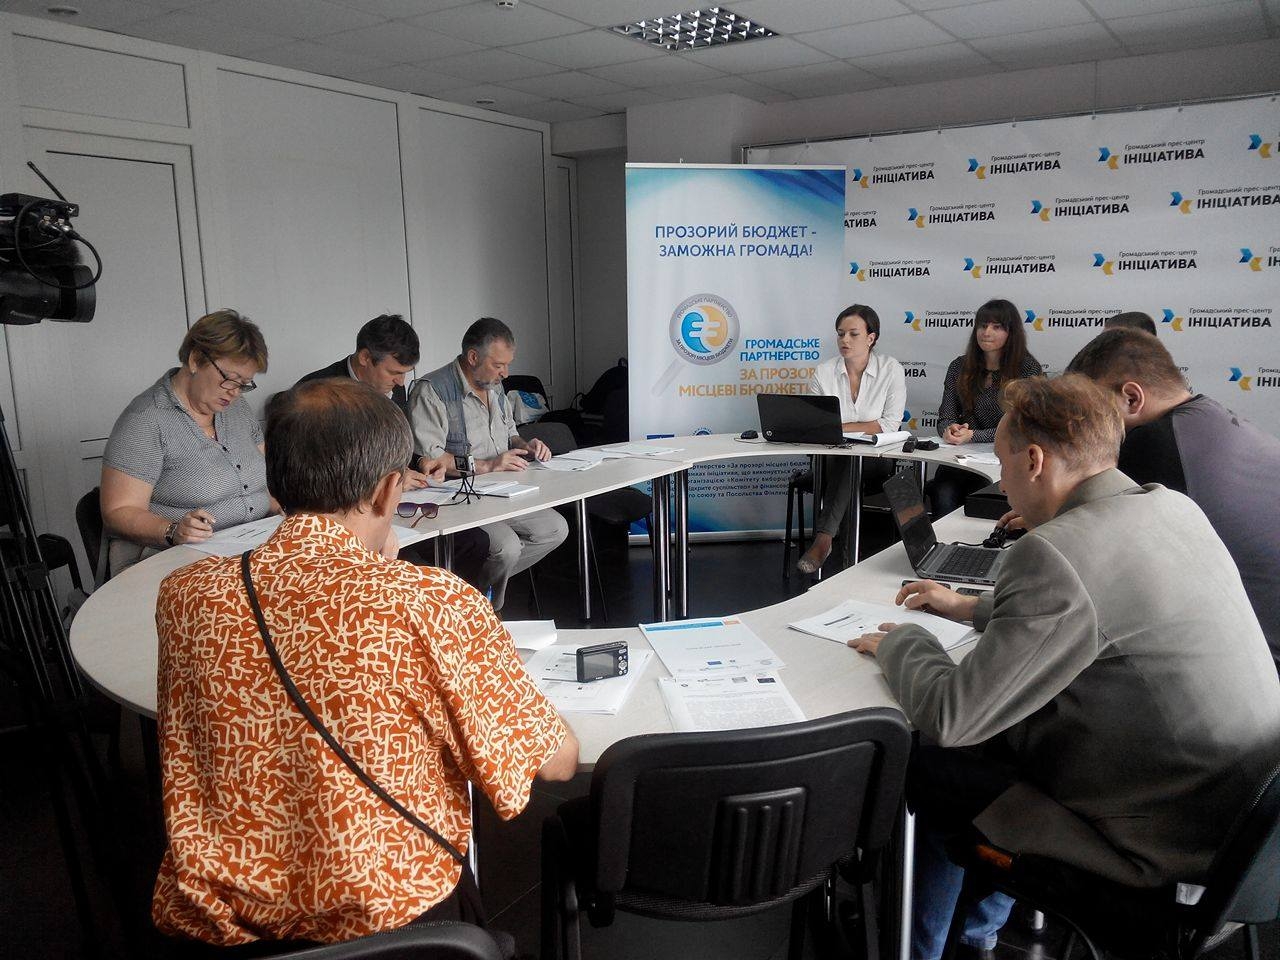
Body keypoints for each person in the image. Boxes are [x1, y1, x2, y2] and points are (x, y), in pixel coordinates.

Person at [849, 374, 1280, 960]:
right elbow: (1102, 606)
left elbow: (952, 716)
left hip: (1159, 852)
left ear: (1034, 461)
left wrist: (903, 643)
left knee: (932, 761)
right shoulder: (1170, 506)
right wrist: (971, 606)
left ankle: (928, 946)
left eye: (1003, 466)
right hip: (1244, 833)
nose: (1001, 484)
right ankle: (973, 928)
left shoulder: (1053, 552)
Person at [152, 378, 578, 951]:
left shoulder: (185, 596)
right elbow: (554, 763)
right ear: (388, 490)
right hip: (394, 926)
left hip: (224, 931)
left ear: (276, 480)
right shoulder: (431, 603)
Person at [1066, 327, 1280, 668]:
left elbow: (1092, 562)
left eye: (1092, 412)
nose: (1089, 428)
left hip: (1256, 665)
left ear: (1131, 398)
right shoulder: (1208, 417)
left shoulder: (1154, 443)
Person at [296, 313, 490, 590]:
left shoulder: (392, 388)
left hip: (398, 504)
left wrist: (420, 462)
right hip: (345, 515)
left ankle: (455, 610)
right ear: (365, 357)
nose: (401, 383)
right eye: (394, 372)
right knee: (410, 568)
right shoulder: (316, 393)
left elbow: (392, 446)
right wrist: (386, 479)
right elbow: (316, 471)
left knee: (475, 542)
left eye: (405, 373)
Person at [407, 317, 568, 610]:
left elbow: (510, 434)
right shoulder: (432, 391)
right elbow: (431, 460)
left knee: (556, 529)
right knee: (507, 548)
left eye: (507, 365)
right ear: (473, 357)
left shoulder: (494, 385)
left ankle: (474, 594)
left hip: (505, 489)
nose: (506, 373)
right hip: (460, 496)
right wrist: (489, 465)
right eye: (498, 365)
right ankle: (486, 607)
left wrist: (526, 446)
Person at [101, 309, 274, 577]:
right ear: (195, 360)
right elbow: (118, 511)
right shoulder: (146, 420)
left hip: (247, 548)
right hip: (174, 560)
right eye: (229, 379)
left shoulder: (237, 409)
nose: (235, 392)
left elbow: (264, 483)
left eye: (244, 384)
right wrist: (173, 530)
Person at [796, 303, 906, 574]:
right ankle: (846, 560)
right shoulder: (824, 372)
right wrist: (859, 427)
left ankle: (824, 539)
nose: (844, 340)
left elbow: (889, 424)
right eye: (840, 334)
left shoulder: (890, 369)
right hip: (830, 457)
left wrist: (840, 427)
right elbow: (818, 425)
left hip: (876, 460)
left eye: (853, 334)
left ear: (871, 338)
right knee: (844, 462)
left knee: (851, 461)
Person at [928, 299, 1040, 517]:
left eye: (996, 327)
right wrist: (949, 429)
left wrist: (974, 435)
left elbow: (1022, 427)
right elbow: (945, 416)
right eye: (982, 325)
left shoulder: (1027, 369)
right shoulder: (959, 366)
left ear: (1011, 333)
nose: (986, 332)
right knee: (943, 491)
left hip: (1005, 460)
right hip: (960, 458)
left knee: (982, 497)